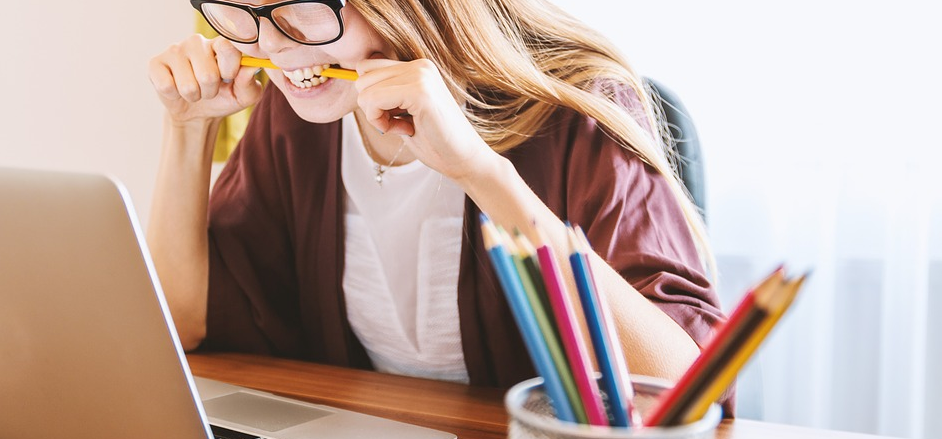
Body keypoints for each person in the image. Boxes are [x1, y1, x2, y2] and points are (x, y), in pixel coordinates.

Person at [147, 0, 729, 409]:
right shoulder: (299, 114)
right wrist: (187, 128)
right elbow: (184, 323)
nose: (272, 47)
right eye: (241, 12)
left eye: (305, 4)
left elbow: (686, 388)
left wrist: (478, 172)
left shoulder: (577, 110)